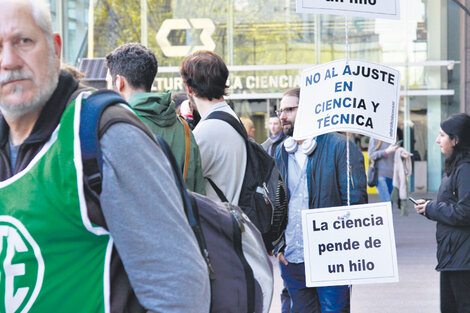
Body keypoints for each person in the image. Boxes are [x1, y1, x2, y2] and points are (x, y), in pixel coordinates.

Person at [0, 1, 210, 311]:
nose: (8, 61)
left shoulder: (104, 136)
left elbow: (179, 291)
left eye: (24, 41)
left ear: (55, 48)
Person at [274, 88, 368, 312]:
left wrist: (345, 247)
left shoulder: (340, 147)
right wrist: (277, 244)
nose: (282, 116)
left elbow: (354, 204)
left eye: (289, 109)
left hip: (330, 258)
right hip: (293, 259)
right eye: (280, 110)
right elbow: (275, 203)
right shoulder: (280, 152)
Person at [105, 43, 205, 194]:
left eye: (108, 82)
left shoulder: (116, 128)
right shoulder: (184, 130)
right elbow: (200, 197)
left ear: (119, 82)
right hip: (181, 216)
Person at [414, 113, 470, 313]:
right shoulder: (457, 167)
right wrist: (430, 207)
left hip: (462, 261)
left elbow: (465, 212)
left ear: (456, 140)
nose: (437, 140)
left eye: (442, 135)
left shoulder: (465, 169)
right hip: (454, 257)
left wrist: (431, 208)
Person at [180, 50, 247, 205]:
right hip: (237, 220)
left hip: (218, 225)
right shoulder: (230, 116)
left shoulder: (206, 132)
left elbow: (180, 186)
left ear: (189, 89)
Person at [368, 128, 409, 202]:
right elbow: (371, 155)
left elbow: (396, 155)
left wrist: (402, 154)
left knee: (390, 203)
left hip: (393, 176)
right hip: (380, 175)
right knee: (387, 202)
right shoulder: (376, 137)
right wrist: (386, 151)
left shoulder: (394, 136)